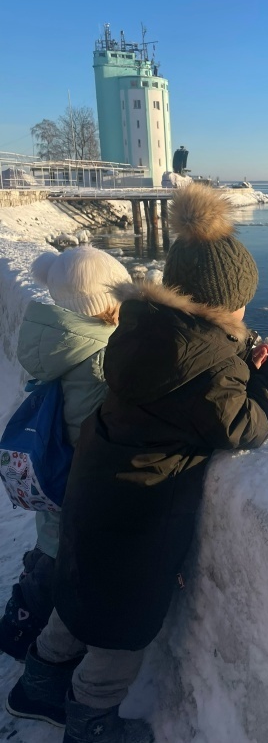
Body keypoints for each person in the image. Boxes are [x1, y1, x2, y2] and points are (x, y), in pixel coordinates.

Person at [6, 184, 268, 743]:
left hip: (93, 496)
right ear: (218, 306)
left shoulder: (139, 327)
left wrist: (239, 357)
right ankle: (90, 723)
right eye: (239, 305)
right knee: (119, 632)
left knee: (76, 601)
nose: (245, 313)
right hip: (137, 521)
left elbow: (189, 377)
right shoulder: (207, 366)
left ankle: (36, 687)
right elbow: (243, 426)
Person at [0, 245, 132, 661]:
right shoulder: (101, 356)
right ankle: (21, 630)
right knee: (58, 563)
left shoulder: (61, 342)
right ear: (105, 303)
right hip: (77, 478)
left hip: (53, 470)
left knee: (50, 544)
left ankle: (26, 603)